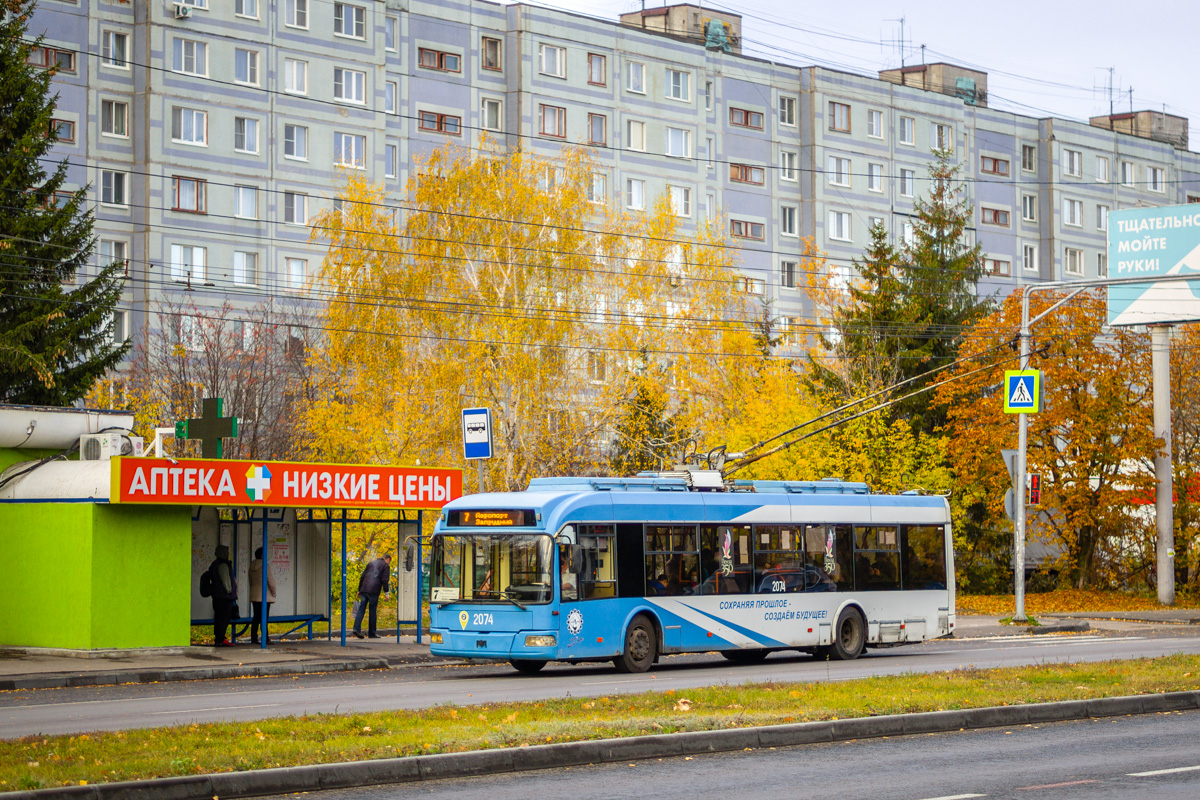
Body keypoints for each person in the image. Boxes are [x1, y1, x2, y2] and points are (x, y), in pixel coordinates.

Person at [353, 552, 391, 639]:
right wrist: (386, 593)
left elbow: (362, 576)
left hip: (364, 589)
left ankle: (356, 629)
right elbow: (385, 580)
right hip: (374, 590)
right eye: (389, 562)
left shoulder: (371, 563)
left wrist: (359, 589)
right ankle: (372, 633)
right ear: (388, 559)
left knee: (361, 609)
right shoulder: (385, 566)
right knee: (372, 611)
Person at [209, 544, 237, 647]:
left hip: (217, 596)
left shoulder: (214, 564)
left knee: (218, 618)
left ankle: (219, 638)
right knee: (224, 618)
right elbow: (226, 580)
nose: (228, 554)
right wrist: (230, 591)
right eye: (226, 552)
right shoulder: (223, 565)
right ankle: (221, 639)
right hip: (224, 596)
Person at [249, 547, 277, 645]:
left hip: (254, 594)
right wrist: (274, 593)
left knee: (256, 617)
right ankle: (265, 638)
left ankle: (253, 638)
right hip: (264, 595)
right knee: (264, 618)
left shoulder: (251, 566)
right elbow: (271, 581)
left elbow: (250, 581)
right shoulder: (265, 566)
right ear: (262, 555)